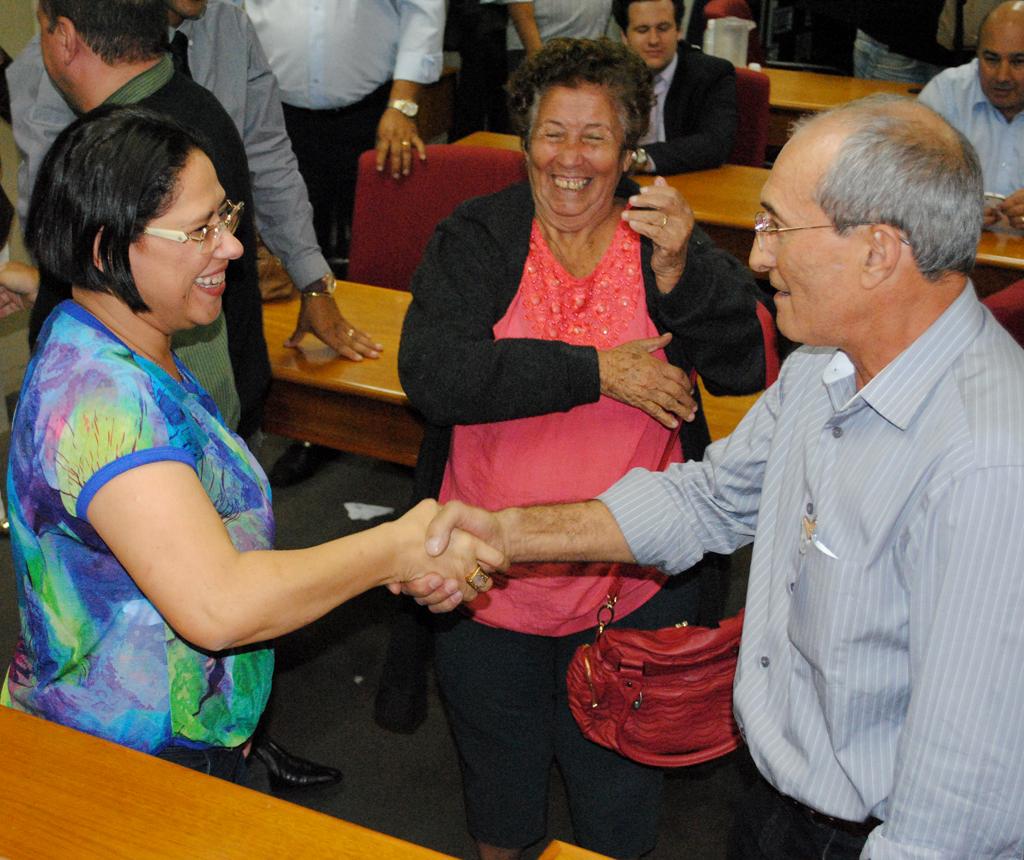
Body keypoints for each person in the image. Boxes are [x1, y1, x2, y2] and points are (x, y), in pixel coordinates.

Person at [418, 94, 1024, 858]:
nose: (760, 258)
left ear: (879, 251)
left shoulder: (990, 465)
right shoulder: (822, 367)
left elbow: (962, 805)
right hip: (779, 798)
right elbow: (709, 499)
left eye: (778, 229)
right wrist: (506, 532)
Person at [1, 104, 499, 785]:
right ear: (104, 248)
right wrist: (396, 547)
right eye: (199, 230)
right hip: (128, 765)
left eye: (225, 216)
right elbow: (219, 606)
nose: (233, 247)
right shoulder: (105, 403)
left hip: (169, 729)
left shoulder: (115, 337)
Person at [399, 38, 766, 860]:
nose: (570, 159)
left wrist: (682, 272)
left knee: (618, 808)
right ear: (525, 142)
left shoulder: (660, 239)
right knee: (499, 799)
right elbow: (435, 375)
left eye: (595, 137)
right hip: (485, 579)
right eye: (552, 134)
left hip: (633, 593)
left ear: (629, 149)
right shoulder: (479, 236)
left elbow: (745, 364)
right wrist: (599, 372)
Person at [3, 0, 381, 363]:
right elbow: (56, 219)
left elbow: (270, 159)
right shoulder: (71, 54)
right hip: (118, 345)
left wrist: (312, 281)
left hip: (221, 328)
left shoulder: (228, 33)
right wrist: (49, 287)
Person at [8, 0, 267, 440]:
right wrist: (42, 287)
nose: (233, 244)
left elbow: (193, 364)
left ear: (65, 37)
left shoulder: (137, 154)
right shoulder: (190, 106)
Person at [241, 0, 443, 485]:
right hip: (273, 114)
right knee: (291, 265)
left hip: (376, 112)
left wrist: (404, 104)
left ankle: (396, 416)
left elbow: (423, 9)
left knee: (380, 264)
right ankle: (314, 428)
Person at [919, 0, 1024, 230]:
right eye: (991, 59)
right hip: (954, 244)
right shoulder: (945, 95)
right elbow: (903, 187)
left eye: (1018, 62)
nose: (1002, 76)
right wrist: (948, 209)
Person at [614, 0, 738, 173]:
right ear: (624, 36)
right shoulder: (608, 76)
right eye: (642, 30)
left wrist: (638, 158)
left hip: (688, 181)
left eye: (663, 28)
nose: (654, 40)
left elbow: (715, 143)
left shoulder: (712, 74)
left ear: (679, 31)